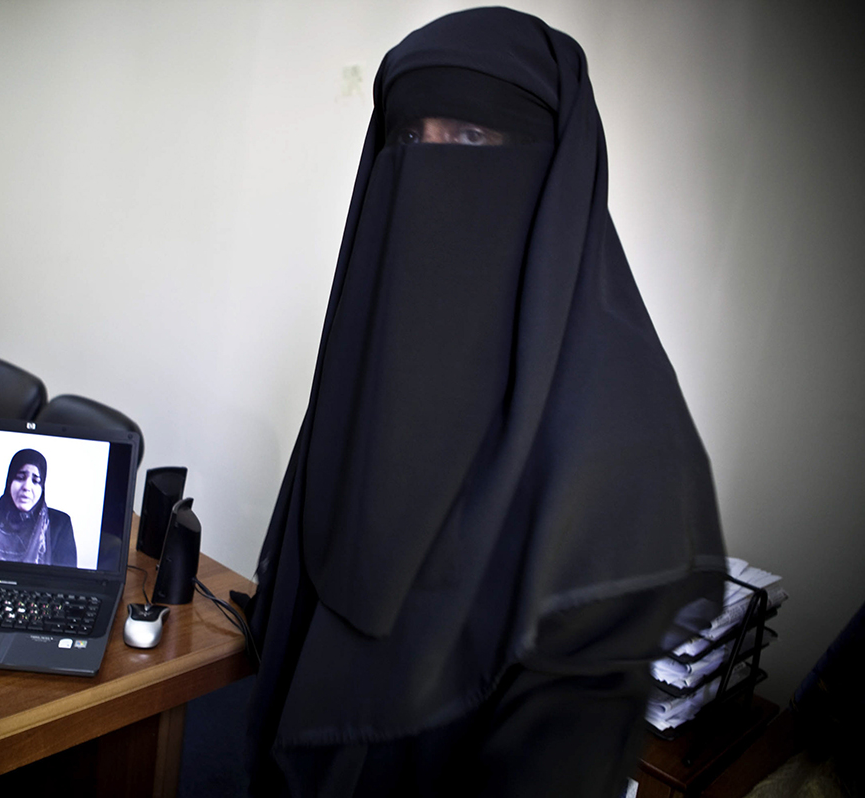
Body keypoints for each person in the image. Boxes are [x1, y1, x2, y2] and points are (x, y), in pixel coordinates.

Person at [243, 8, 727, 797]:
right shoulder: (379, 348)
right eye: (409, 141)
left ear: (552, 172)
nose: (432, 172)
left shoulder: (629, 444)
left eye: (471, 140)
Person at [0, 448, 77, 567]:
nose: (27, 487)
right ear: (9, 481)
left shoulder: (59, 525)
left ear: (42, 487)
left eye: (36, 481)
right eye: (20, 478)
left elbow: (66, 581)